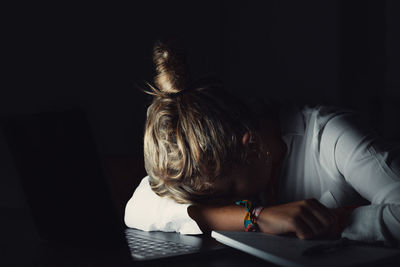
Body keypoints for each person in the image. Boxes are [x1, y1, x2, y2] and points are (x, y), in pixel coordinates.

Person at [124, 39, 400, 245]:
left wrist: (332, 221)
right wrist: (254, 217)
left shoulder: (335, 136)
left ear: (251, 145)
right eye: (217, 200)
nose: (229, 202)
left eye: (230, 188)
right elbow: (137, 208)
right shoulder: (220, 168)